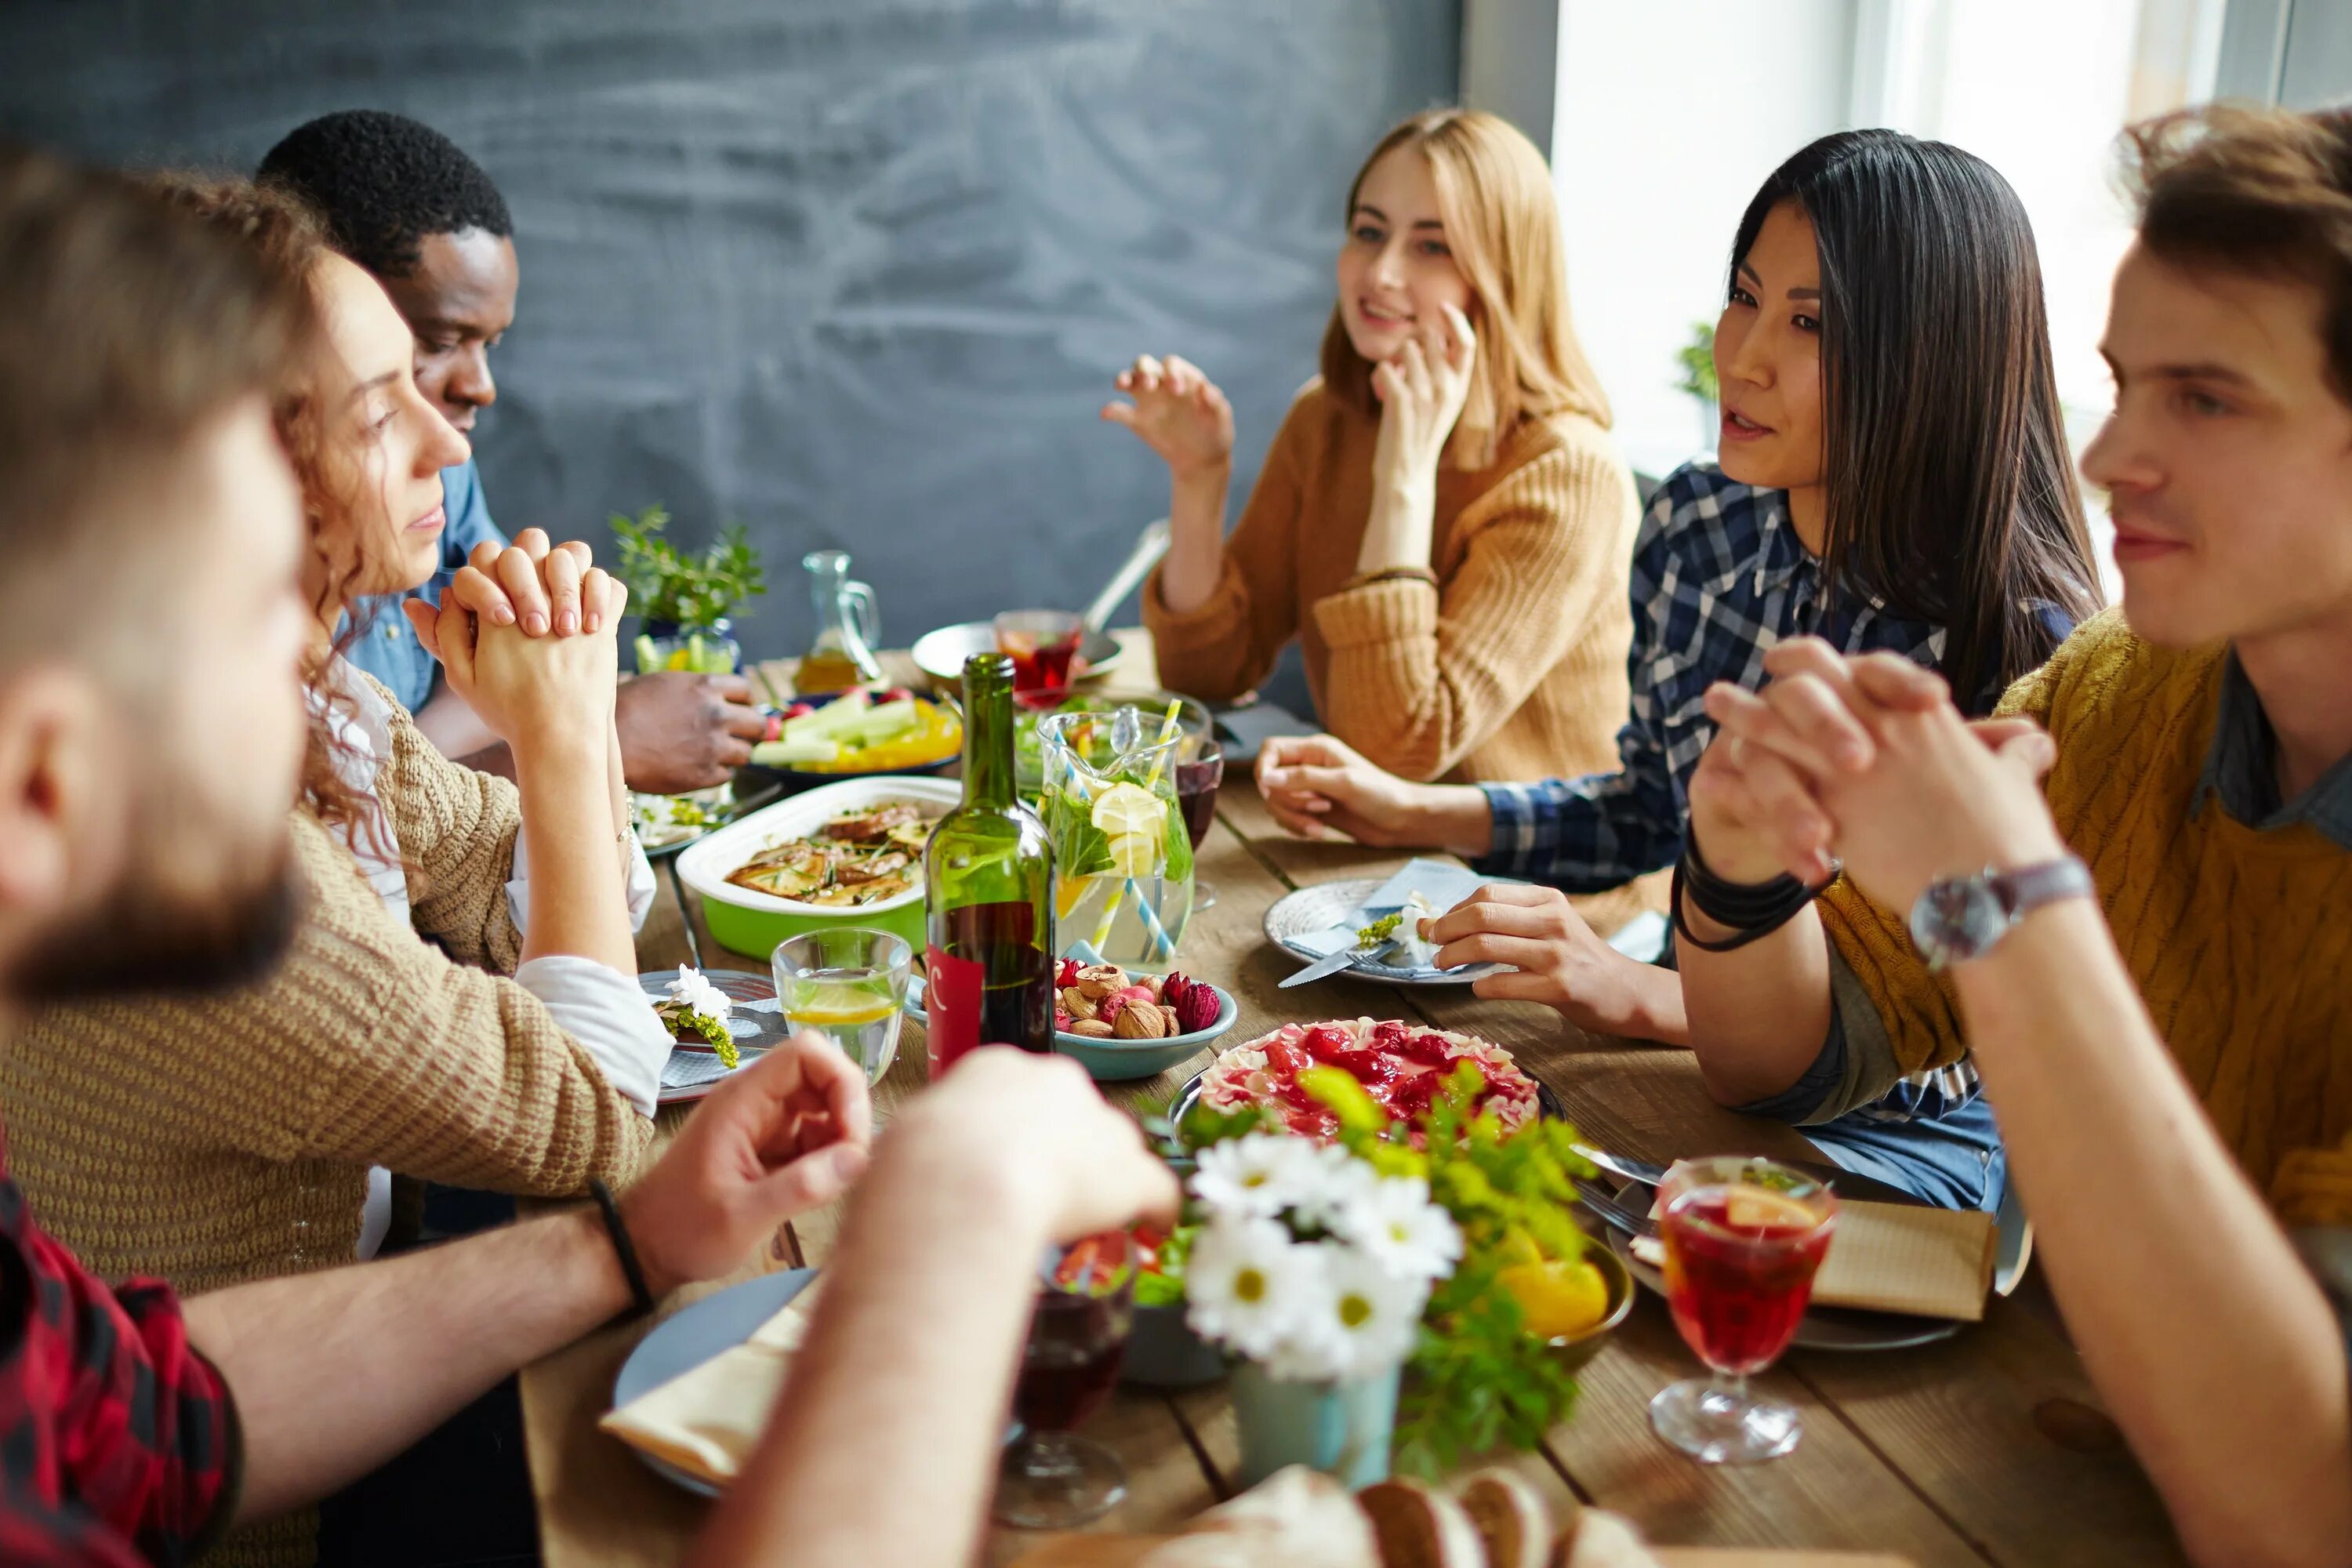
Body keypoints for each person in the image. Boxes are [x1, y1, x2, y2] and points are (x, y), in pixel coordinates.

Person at [0, 141, 1178, 1568]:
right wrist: (959, 1209)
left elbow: (143, 1416)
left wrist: (625, 1248)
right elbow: (580, 1112)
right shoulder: (239, 910)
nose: (332, 681)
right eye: (265, 608)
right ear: (50, 771)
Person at [1671, 103, 2352, 1565]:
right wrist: (1735, 865)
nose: (2109, 462)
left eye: (2208, 401)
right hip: (2018, 1470)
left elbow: (2303, 1503)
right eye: (2124, 389)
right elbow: (1774, 1060)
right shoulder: (2124, 691)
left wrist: (2006, 905)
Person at [1256, 129, 2102, 1212]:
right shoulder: (1705, 524)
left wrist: (1636, 991)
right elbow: (1653, 811)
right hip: (1703, 1079)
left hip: (1903, 1157)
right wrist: (1415, 810)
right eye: (1745, 297)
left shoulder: (2022, 647)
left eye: (1810, 322)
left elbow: (1952, 1042)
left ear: (1930, 359)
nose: (1741, 354)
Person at [0, 175, 678, 1312]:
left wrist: (569, 703)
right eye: (377, 412)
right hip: (280, 1478)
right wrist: (565, 731)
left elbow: (530, 888)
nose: (447, 449)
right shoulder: (207, 860)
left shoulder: (318, 698)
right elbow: (595, 1122)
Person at [1113, 110, 1650, 914]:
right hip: (1378, 880)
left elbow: (1398, 747)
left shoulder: (1570, 473)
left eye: (1431, 245)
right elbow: (1206, 673)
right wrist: (1200, 480)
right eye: (1369, 232)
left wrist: (1407, 462)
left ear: (1502, 272)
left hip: (1547, 911)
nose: (1382, 271)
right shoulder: (1326, 419)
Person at [256, 109, 767, 795]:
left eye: (489, 345)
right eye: (438, 341)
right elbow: (324, 821)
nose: (482, 389)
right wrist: (581, 743)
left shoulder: (439, 475)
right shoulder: (234, 568)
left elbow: (497, 672)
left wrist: (527, 725)